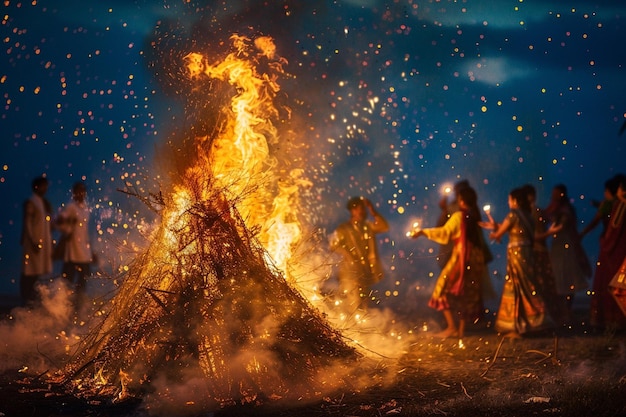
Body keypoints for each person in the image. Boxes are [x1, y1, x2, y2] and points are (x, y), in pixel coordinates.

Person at [409, 186, 487, 345]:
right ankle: (460, 331)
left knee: (441, 288)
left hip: (461, 258)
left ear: (461, 200)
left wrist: (423, 232)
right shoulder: (473, 216)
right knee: (465, 292)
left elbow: (444, 233)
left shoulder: (459, 216)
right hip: (475, 259)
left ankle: (452, 327)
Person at [483, 187, 552, 337]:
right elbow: (515, 230)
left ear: (515, 200)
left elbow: (500, 233)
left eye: (509, 199)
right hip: (527, 254)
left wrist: (494, 234)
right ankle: (536, 321)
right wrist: (496, 226)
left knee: (518, 288)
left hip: (517, 255)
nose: (508, 202)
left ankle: (518, 327)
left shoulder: (513, 214)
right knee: (529, 286)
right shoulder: (528, 215)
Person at [542, 184, 591, 326]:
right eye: (553, 193)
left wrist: (547, 232)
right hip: (557, 246)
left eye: (556, 193)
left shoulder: (566, 209)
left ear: (562, 194)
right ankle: (562, 312)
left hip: (566, 247)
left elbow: (562, 225)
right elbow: (545, 218)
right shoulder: (553, 208)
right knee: (558, 278)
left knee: (568, 278)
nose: (554, 196)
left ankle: (567, 312)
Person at [328, 196, 389, 309]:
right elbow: (333, 245)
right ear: (352, 211)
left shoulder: (367, 227)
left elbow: (384, 226)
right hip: (349, 273)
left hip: (364, 272)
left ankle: (361, 326)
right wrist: (347, 254)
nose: (361, 212)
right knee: (353, 304)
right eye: (358, 209)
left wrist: (372, 210)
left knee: (363, 305)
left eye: (363, 209)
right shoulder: (343, 228)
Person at [590, 174, 626, 330]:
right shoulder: (615, 205)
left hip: (615, 250)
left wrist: (604, 242)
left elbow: (614, 229)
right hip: (618, 249)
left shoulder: (619, 206)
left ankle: (615, 321)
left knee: (613, 284)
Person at [521, 184, 559, 322]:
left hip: (536, 253)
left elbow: (534, 236)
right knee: (542, 285)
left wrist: (550, 231)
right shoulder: (534, 212)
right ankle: (543, 316)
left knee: (537, 286)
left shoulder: (533, 212)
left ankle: (540, 317)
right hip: (536, 252)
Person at [57, 181, 94, 309]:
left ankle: (78, 305)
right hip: (73, 249)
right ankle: (64, 305)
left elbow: (85, 231)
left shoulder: (85, 207)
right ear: (74, 193)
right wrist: (67, 222)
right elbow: (61, 221)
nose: (81, 193)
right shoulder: (71, 207)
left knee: (83, 279)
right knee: (68, 278)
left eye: (83, 191)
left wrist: (91, 250)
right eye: (78, 191)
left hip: (83, 249)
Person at [20, 176, 53, 306]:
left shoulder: (42, 202)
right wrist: (33, 241)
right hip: (33, 243)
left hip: (41, 243)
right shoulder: (31, 202)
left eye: (46, 186)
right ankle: (26, 298)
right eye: (43, 186)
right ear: (36, 187)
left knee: (36, 271)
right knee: (29, 271)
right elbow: (27, 223)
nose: (45, 189)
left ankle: (32, 299)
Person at [580, 174, 621, 239]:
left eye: (605, 190)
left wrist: (581, 234)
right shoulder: (617, 203)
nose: (604, 193)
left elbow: (595, 222)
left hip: (611, 238)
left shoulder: (608, 204)